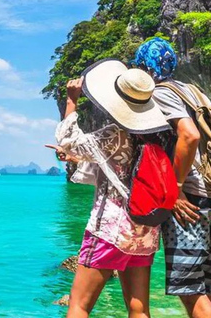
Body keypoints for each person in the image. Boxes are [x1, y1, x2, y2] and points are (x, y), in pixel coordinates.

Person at [45, 59, 172, 318]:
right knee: (139, 309)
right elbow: (114, 166)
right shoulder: (160, 135)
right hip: (145, 229)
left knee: (79, 306)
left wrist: (71, 101)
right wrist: (73, 157)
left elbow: (70, 142)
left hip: (110, 230)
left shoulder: (116, 134)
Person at [132, 37, 211, 318]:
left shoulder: (163, 92)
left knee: (189, 288)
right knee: (209, 286)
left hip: (193, 199)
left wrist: (175, 189)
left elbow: (190, 136)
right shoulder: (192, 90)